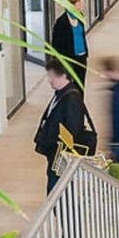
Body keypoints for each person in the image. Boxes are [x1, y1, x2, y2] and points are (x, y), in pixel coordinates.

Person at [34, 58, 88, 194]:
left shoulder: (71, 99)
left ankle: (67, 215)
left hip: (60, 156)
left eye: (52, 76)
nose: (49, 80)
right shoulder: (60, 93)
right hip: (55, 154)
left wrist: (56, 146)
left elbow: (72, 131)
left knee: (57, 191)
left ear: (63, 75)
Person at [51, 0, 89, 96]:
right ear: (72, 5)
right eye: (79, 3)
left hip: (81, 57)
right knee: (65, 86)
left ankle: (79, 107)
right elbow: (56, 43)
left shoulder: (80, 17)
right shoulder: (61, 22)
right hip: (68, 59)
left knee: (80, 86)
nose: (81, 5)